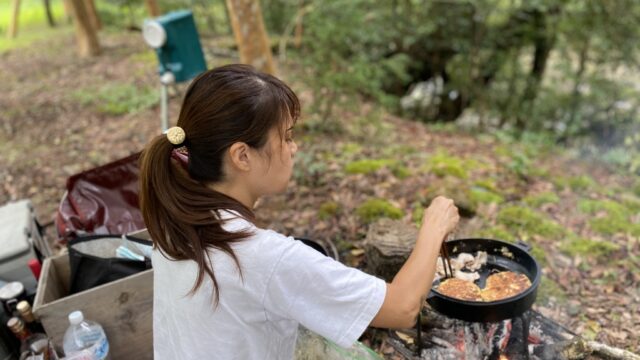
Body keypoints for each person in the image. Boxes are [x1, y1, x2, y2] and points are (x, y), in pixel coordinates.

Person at [139, 64, 460, 359]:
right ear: (242, 156)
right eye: (287, 136)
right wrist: (433, 228)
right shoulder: (261, 256)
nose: (294, 148)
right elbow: (402, 308)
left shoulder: (175, 220)